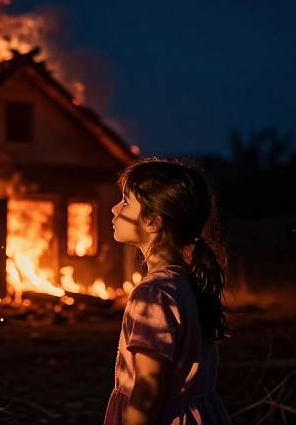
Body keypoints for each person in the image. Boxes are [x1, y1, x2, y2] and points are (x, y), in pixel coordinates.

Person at [104, 158, 231, 425]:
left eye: (126, 202)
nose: (115, 209)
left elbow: (147, 390)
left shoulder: (153, 293)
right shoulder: (187, 281)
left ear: (152, 222)